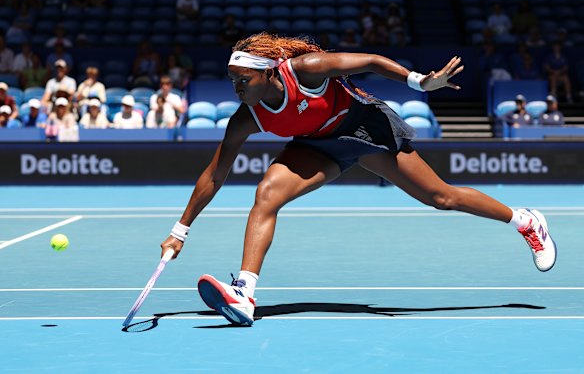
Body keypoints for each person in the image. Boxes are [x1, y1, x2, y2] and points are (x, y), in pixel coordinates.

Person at [159, 33, 557, 326]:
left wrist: (420, 82)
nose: (236, 87)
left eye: (242, 79)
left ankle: (524, 221)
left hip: (366, 129)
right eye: (232, 80)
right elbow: (215, 174)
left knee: (441, 198)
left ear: (267, 74)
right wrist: (181, 230)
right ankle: (244, 293)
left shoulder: (308, 70)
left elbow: (370, 60)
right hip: (317, 146)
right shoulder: (246, 118)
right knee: (266, 195)